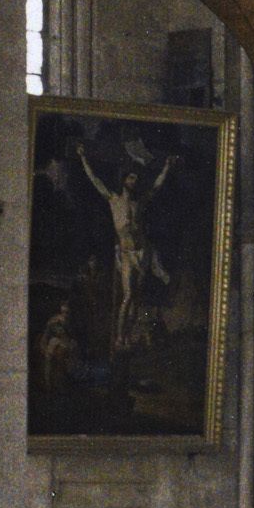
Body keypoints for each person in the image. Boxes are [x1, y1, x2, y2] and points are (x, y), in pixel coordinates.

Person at [77, 144, 179, 357]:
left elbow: (156, 187)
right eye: (131, 178)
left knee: (137, 297)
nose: (134, 181)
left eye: (136, 179)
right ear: (124, 179)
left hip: (142, 253)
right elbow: (95, 180)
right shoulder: (113, 200)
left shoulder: (139, 203)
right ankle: (119, 337)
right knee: (128, 295)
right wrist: (83, 158)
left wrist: (167, 167)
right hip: (126, 254)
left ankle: (127, 337)